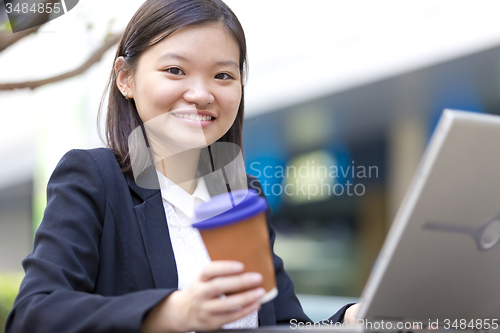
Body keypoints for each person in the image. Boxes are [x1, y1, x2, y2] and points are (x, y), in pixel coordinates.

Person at [5, 0, 359, 332]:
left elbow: (281, 324)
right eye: (175, 70)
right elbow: (35, 314)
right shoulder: (94, 178)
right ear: (125, 78)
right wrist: (173, 312)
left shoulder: (241, 192)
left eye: (223, 75)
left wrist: (348, 322)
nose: (202, 94)